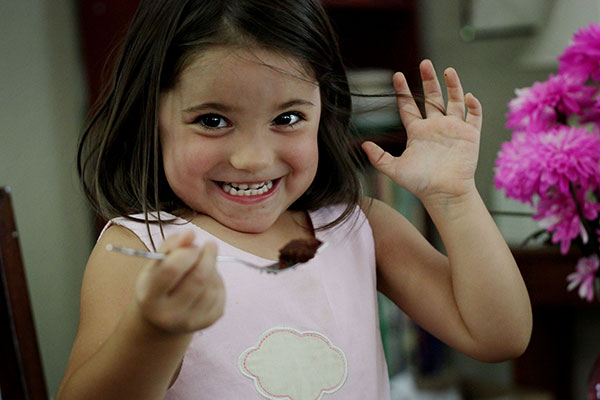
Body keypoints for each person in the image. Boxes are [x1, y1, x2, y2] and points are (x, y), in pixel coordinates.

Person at [57, 0, 532, 398]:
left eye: (286, 119)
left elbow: (499, 336)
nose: (252, 159)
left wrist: (453, 198)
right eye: (212, 120)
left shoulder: (360, 226)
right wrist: (154, 330)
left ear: (323, 109)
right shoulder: (140, 250)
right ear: (152, 117)